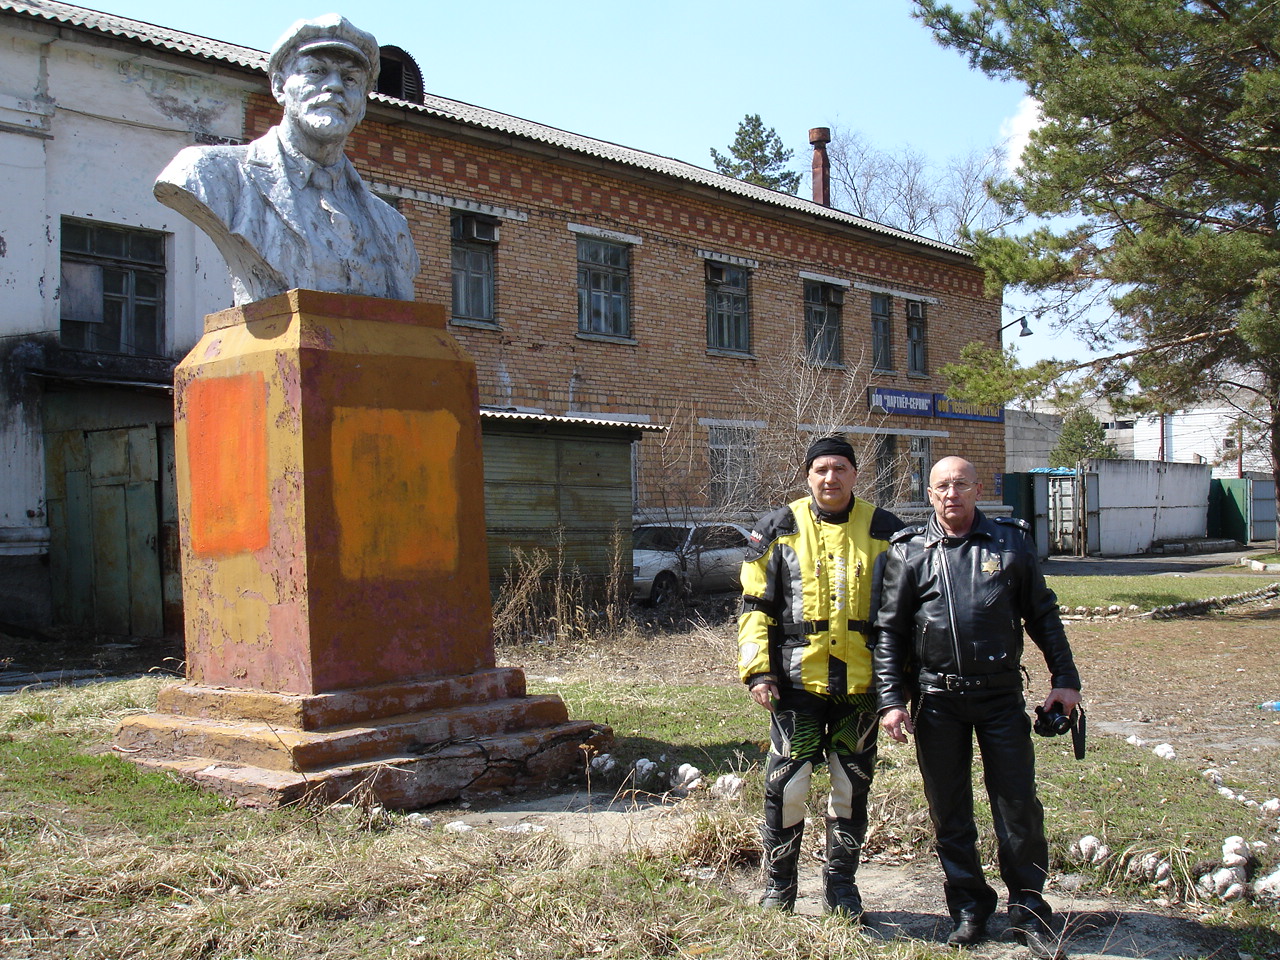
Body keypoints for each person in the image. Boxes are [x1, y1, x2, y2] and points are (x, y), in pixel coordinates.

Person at [873, 456, 1081, 956]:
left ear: (977, 488)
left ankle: (1028, 905)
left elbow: (1043, 614)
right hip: (936, 700)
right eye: (942, 486)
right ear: (929, 494)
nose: (951, 494)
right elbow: (890, 632)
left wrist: (1065, 679)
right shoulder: (908, 551)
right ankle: (968, 906)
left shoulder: (1011, 543)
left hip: (1000, 697)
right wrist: (890, 700)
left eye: (961, 484)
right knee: (949, 809)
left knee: (1017, 804)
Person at [737, 435, 903, 918]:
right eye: (821, 470)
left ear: (856, 473)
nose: (830, 478)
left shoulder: (887, 529)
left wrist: (901, 685)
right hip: (795, 685)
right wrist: (758, 671)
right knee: (786, 785)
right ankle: (779, 888)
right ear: (807, 475)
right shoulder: (777, 526)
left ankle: (842, 888)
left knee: (851, 787)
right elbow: (754, 607)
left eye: (840, 469)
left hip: (862, 688)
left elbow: (906, 613)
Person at [155, 15, 420, 305]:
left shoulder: (392, 225)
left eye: (350, 79)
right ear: (280, 87)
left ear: (361, 107)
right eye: (317, 71)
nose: (335, 86)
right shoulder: (211, 174)